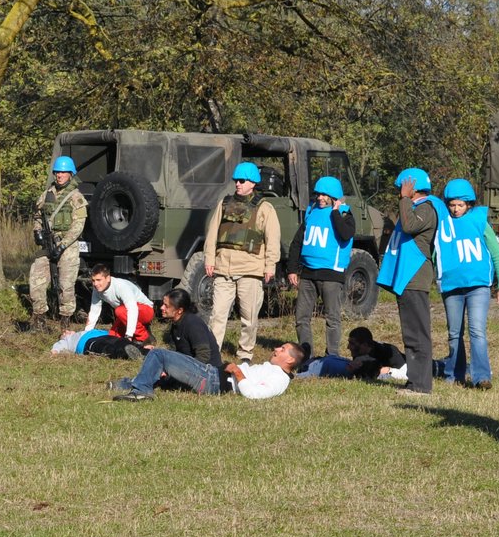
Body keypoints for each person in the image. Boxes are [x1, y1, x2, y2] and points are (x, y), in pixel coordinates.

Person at [434, 178, 499, 388]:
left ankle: (482, 377)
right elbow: (435, 254)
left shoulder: (479, 221)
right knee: (454, 333)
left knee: (477, 331)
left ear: (469, 205)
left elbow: (496, 254)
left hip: (478, 287)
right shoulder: (442, 224)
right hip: (452, 288)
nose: (456, 209)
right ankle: (454, 375)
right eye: (452, 205)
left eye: (460, 205)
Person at [375, 167, 443, 394]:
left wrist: (405, 198)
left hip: (415, 278)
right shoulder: (415, 207)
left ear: (412, 187)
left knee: (417, 334)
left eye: (401, 188)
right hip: (407, 279)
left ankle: (421, 386)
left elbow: (409, 225)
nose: (399, 193)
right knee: (410, 333)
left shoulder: (427, 207)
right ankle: (415, 382)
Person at [205, 161, 280, 361]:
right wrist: (209, 259)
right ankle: (213, 353)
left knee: (249, 318)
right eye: (236, 180)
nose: (237, 184)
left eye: (242, 180)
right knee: (218, 315)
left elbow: (272, 239)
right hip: (223, 269)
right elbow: (212, 233)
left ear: (253, 183)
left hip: (250, 270)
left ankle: (245, 353)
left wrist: (270, 265)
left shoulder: (265, 207)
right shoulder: (224, 203)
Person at [287, 175, 356, 358]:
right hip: (308, 273)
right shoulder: (311, 211)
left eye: (324, 195)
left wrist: (335, 212)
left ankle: (331, 356)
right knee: (301, 318)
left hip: (331, 276)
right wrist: (292, 269)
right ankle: (305, 355)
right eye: (318, 194)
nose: (319, 198)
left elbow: (346, 233)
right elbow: (297, 241)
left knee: (332, 318)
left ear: (334, 196)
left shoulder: (344, 214)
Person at [110, 287, 218, 394]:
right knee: (158, 374)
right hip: (192, 369)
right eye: (163, 304)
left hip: (207, 375)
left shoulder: (193, 323)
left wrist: (179, 369)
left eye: (166, 306)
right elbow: (180, 353)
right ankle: (128, 383)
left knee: (158, 355)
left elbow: (204, 355)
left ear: (179, 310)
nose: (161, 307)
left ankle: (141, 391)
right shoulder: (176, 325)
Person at [116, 341, 304, 401]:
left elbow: (255, 394)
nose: (277, 349)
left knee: (159, 355)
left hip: (213, 380)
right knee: (168, 373)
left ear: (290, 359)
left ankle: (140, 392)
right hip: (213, 373)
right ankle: (125, 384)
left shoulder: (280, 379)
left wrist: (238, 372)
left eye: (283, 349)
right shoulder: (273, 370)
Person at [29, 156, 88, 329]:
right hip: (48, 243)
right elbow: (38, 215)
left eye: (63, 172)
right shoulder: (47, 194)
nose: (60, 175)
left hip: (67, 246)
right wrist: (37, 231)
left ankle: (65, 322)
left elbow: (78, 226)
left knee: (66, 285)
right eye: (57, 172)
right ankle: (39, 319)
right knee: (36, 278)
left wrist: (62, 245)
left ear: (70, 174)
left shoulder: (76, 197)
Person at [83, 263, 154, 343]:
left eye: (99, 280)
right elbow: (94, 311)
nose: (95, 284)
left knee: (120, 311)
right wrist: (86, 333)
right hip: (125, 312)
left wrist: (129, 335)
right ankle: (145, 331)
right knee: (112, 335)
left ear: (108, 278)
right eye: (93, 280)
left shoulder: (120, 286)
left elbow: (132, 309)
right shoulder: (97, 289)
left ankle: (143, 338)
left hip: (145, 310)